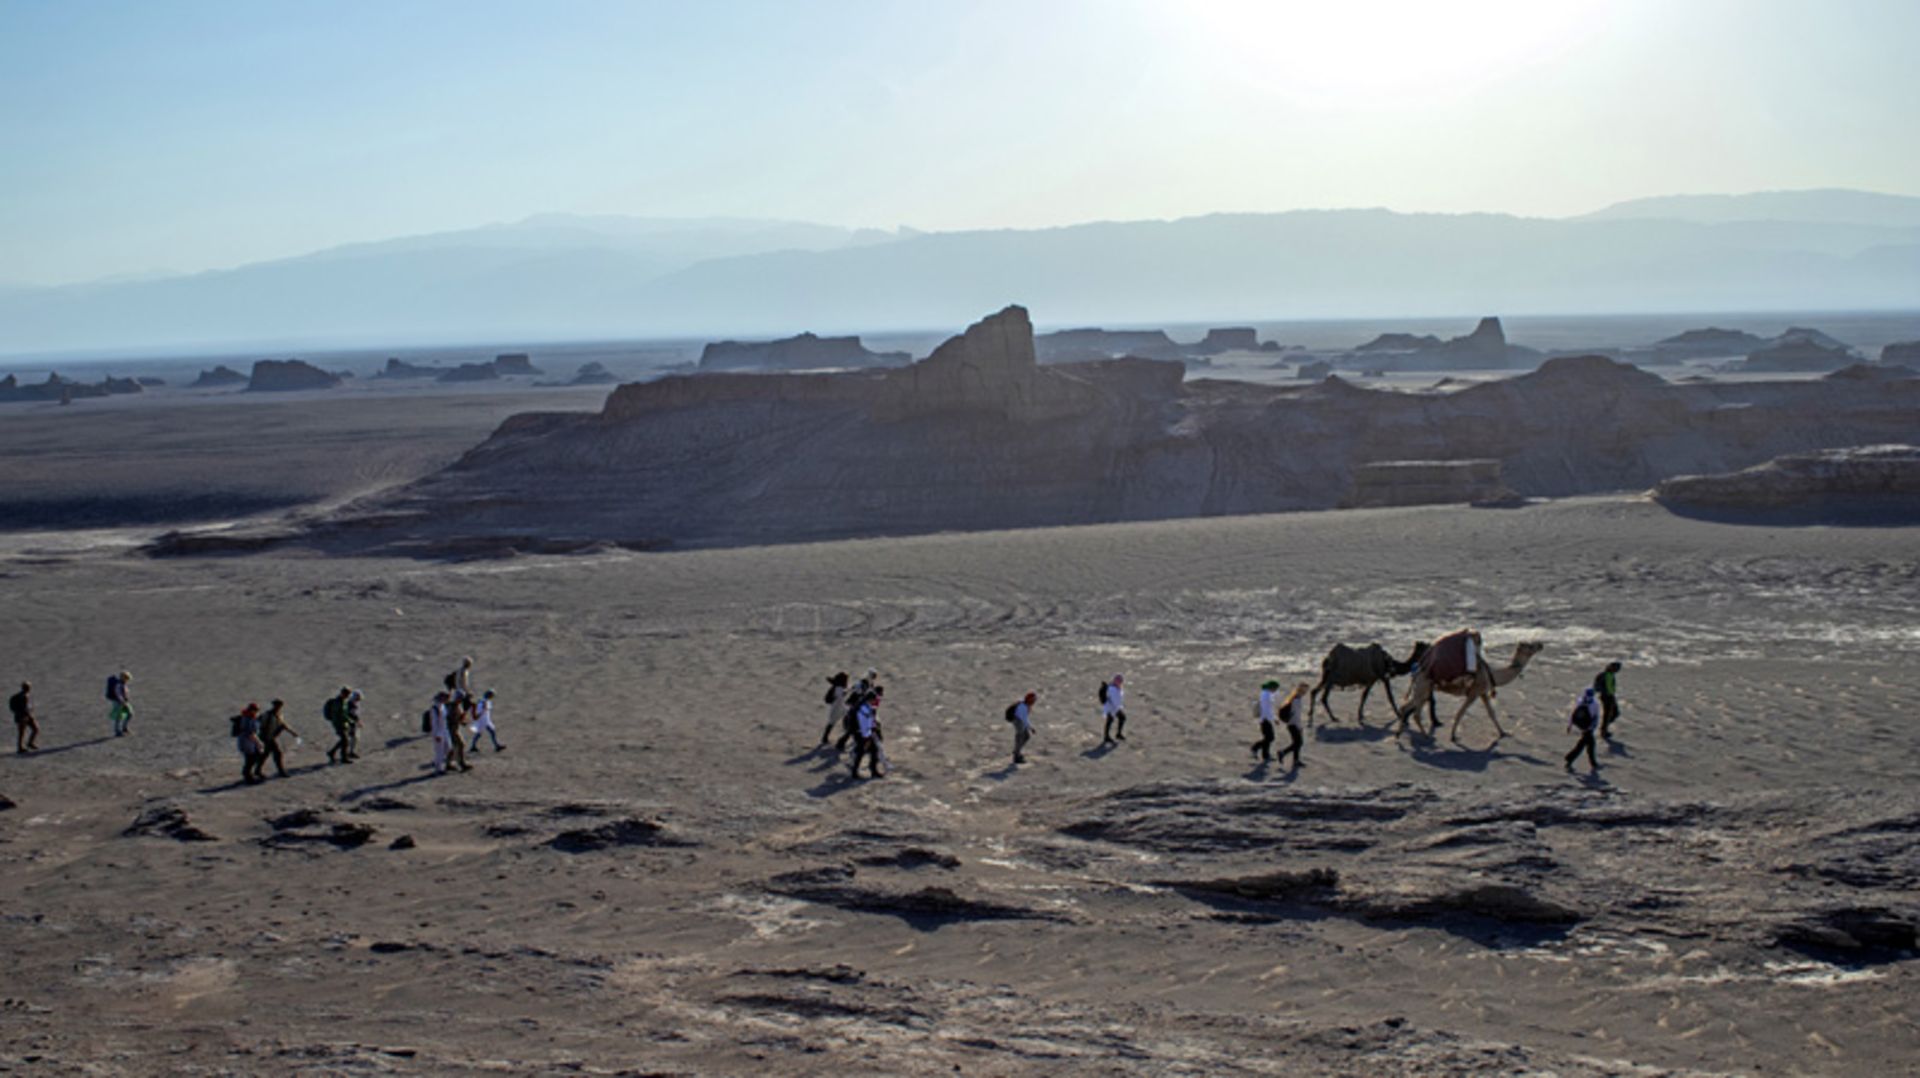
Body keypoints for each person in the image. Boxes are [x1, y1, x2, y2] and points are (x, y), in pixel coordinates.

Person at [835, 669, 879, 753]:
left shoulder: (870, 684)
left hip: (859, 706)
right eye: (873, 676)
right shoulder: (862, 684)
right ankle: (842, 743)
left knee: (855, 728)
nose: (874, 678)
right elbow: (853, 690)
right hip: (855, 706)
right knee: (853, 728)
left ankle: (845, 742)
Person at [848, 686, 884, 779]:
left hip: (860, 733)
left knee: (871, 750)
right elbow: (864, 724)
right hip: (862, 734)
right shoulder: (864, 709)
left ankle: (870, 770)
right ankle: (859, 772)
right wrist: (867, 737)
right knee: (865, 751)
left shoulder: (862, 705)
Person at [258, 699, 299, 779]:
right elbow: (261, 727)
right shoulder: (267, 715)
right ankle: (280, 771)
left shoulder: (278, 714)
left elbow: (283, 725)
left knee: (266, 754)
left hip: (271, 737)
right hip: (266, 738)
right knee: (277, 753)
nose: (279, 707)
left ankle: (258, 770)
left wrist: (292, 732)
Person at [1565, 688, 1602, 773]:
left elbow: (1574, 713)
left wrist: (1570, 725)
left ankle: (1592, 763)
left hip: (1582, 726)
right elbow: (1596, 717)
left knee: (1588, 744)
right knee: (1584, 745)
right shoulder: (1594, 704)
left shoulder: (1580, 700)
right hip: (1588, 727)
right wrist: (1593, 727)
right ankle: (1570, 758)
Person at [1273, 682, 1309, 768]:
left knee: (1297, 743)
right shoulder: (1296, 700)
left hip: (1292, 724)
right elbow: (1296, 715)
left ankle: (1296, 760)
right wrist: (1299, 727)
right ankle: (1283, 752)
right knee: (1298, 743)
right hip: (1293, 724)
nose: (1305, 692)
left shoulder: (1295, 699)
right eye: (1304, 690)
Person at [231, 703, 266, 784]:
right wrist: (259, 743)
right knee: (250, 759)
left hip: (247, 741)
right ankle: (247, 776)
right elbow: (251, 734)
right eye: (255, 711)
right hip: (247, 742)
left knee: (252, 758)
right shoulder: (249, 719)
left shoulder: (247, 717)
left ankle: (248, 774)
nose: (257, 712)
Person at [1250, 680, 1281, 761]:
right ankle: (1255, 748)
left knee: (1268, 737)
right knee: (1270, 737)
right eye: (1275, 688)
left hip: (1264, 719)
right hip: (1265, 719)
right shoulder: (1267, 696)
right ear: (1272, 687)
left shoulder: (1266, 694)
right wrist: (1274, 719)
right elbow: (1267, 710)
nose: (1276, 690)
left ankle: (1266, 755)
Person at [324, 687, 356, 764]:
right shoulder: (338, 702)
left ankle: (331, 753)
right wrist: (351, 721)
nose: (348, 696)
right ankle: (343, 758)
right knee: (345, 740)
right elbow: (342, 715)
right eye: (347, 694)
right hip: (338, 724)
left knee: (344, 740)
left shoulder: (343, 701)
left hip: (342, 723)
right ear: (343, 693)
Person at [819, 672, 850, 747]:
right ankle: (825, 738)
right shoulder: (839, 688)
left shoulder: (837, 687)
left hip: (839, 707)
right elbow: (840, 696)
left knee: (834, 722)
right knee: (832, 722)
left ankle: (825, 738)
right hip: (837, 707)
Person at [1593, 661, 1623, 738]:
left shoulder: (1610, 675)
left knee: (1615, 713)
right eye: (1616, 668)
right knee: (1608, 714)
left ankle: (1604, 728)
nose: (1617, 670)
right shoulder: (1603, 675)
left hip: (1611, 696)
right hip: (1605, 696)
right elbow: (1596, 687)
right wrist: (1603, 691)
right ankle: (1603, 730)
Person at [1006, 691, 1037, 764]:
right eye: (1033, 700)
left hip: (1020, 722)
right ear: (1030, 700)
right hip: (1018, 721)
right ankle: (1016, 756)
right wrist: (1031, 728)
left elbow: (1025, 719)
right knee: (1020, 737)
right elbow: (1024, 719)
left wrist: (1029, 727)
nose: (1034, 702)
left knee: (1026, 736)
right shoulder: (1023, 707)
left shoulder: (1025, 705)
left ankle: (1017, 750)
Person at [428, 692, 454, 774]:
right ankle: (438, 769)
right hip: (438, 733)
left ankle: (448, 764)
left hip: (444, 731)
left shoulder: (442, 706)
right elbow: (434, 723)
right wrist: (437, 735)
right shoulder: (435, 709)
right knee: (439, 752)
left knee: (449, 748)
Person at [1100, 673, 1127, 745]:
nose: (1120, 682)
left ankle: (1118, 734)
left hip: (1115, 707)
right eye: (1118, 681)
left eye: (1121, 681)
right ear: (1115, 681)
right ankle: (1106, 737)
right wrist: (1115, 710)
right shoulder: (1112, 689)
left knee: (1122, 718)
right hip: (1110, 707)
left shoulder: (1117, 687)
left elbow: (1119, 698)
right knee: (1110, 721)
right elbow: (1115, 700)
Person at [11, 681, 37, 754]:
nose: (29, 688)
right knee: (22, 732)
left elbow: (28, 707)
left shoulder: (27, 695)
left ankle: (30, 743)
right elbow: (24, 708)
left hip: (27, 716)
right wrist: (27, 715)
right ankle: (20, 747)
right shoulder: (21, 696)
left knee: (35, 729)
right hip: (21, 717)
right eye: (28, 687)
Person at [106, 670, 133, 737]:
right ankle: (117, 731)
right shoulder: (118, 684)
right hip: (118, 702)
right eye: (127, 678)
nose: (128, 680)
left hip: (124, 702)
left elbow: (125, 692)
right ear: (123, 678)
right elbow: (118, 694)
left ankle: (124, 728)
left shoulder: (123, 683)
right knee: (119, 717)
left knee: (130, 713)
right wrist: (123, 702)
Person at [344, 690, 364, 759]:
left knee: (353, 738)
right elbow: (353, 715)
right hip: (351, 723)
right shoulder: (352, 704)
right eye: (358, 698)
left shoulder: (351, 702)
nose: (359, 700)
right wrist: (358, 722)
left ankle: (349, 752)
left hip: (351, 723)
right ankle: (350, 752)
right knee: (353, 738)